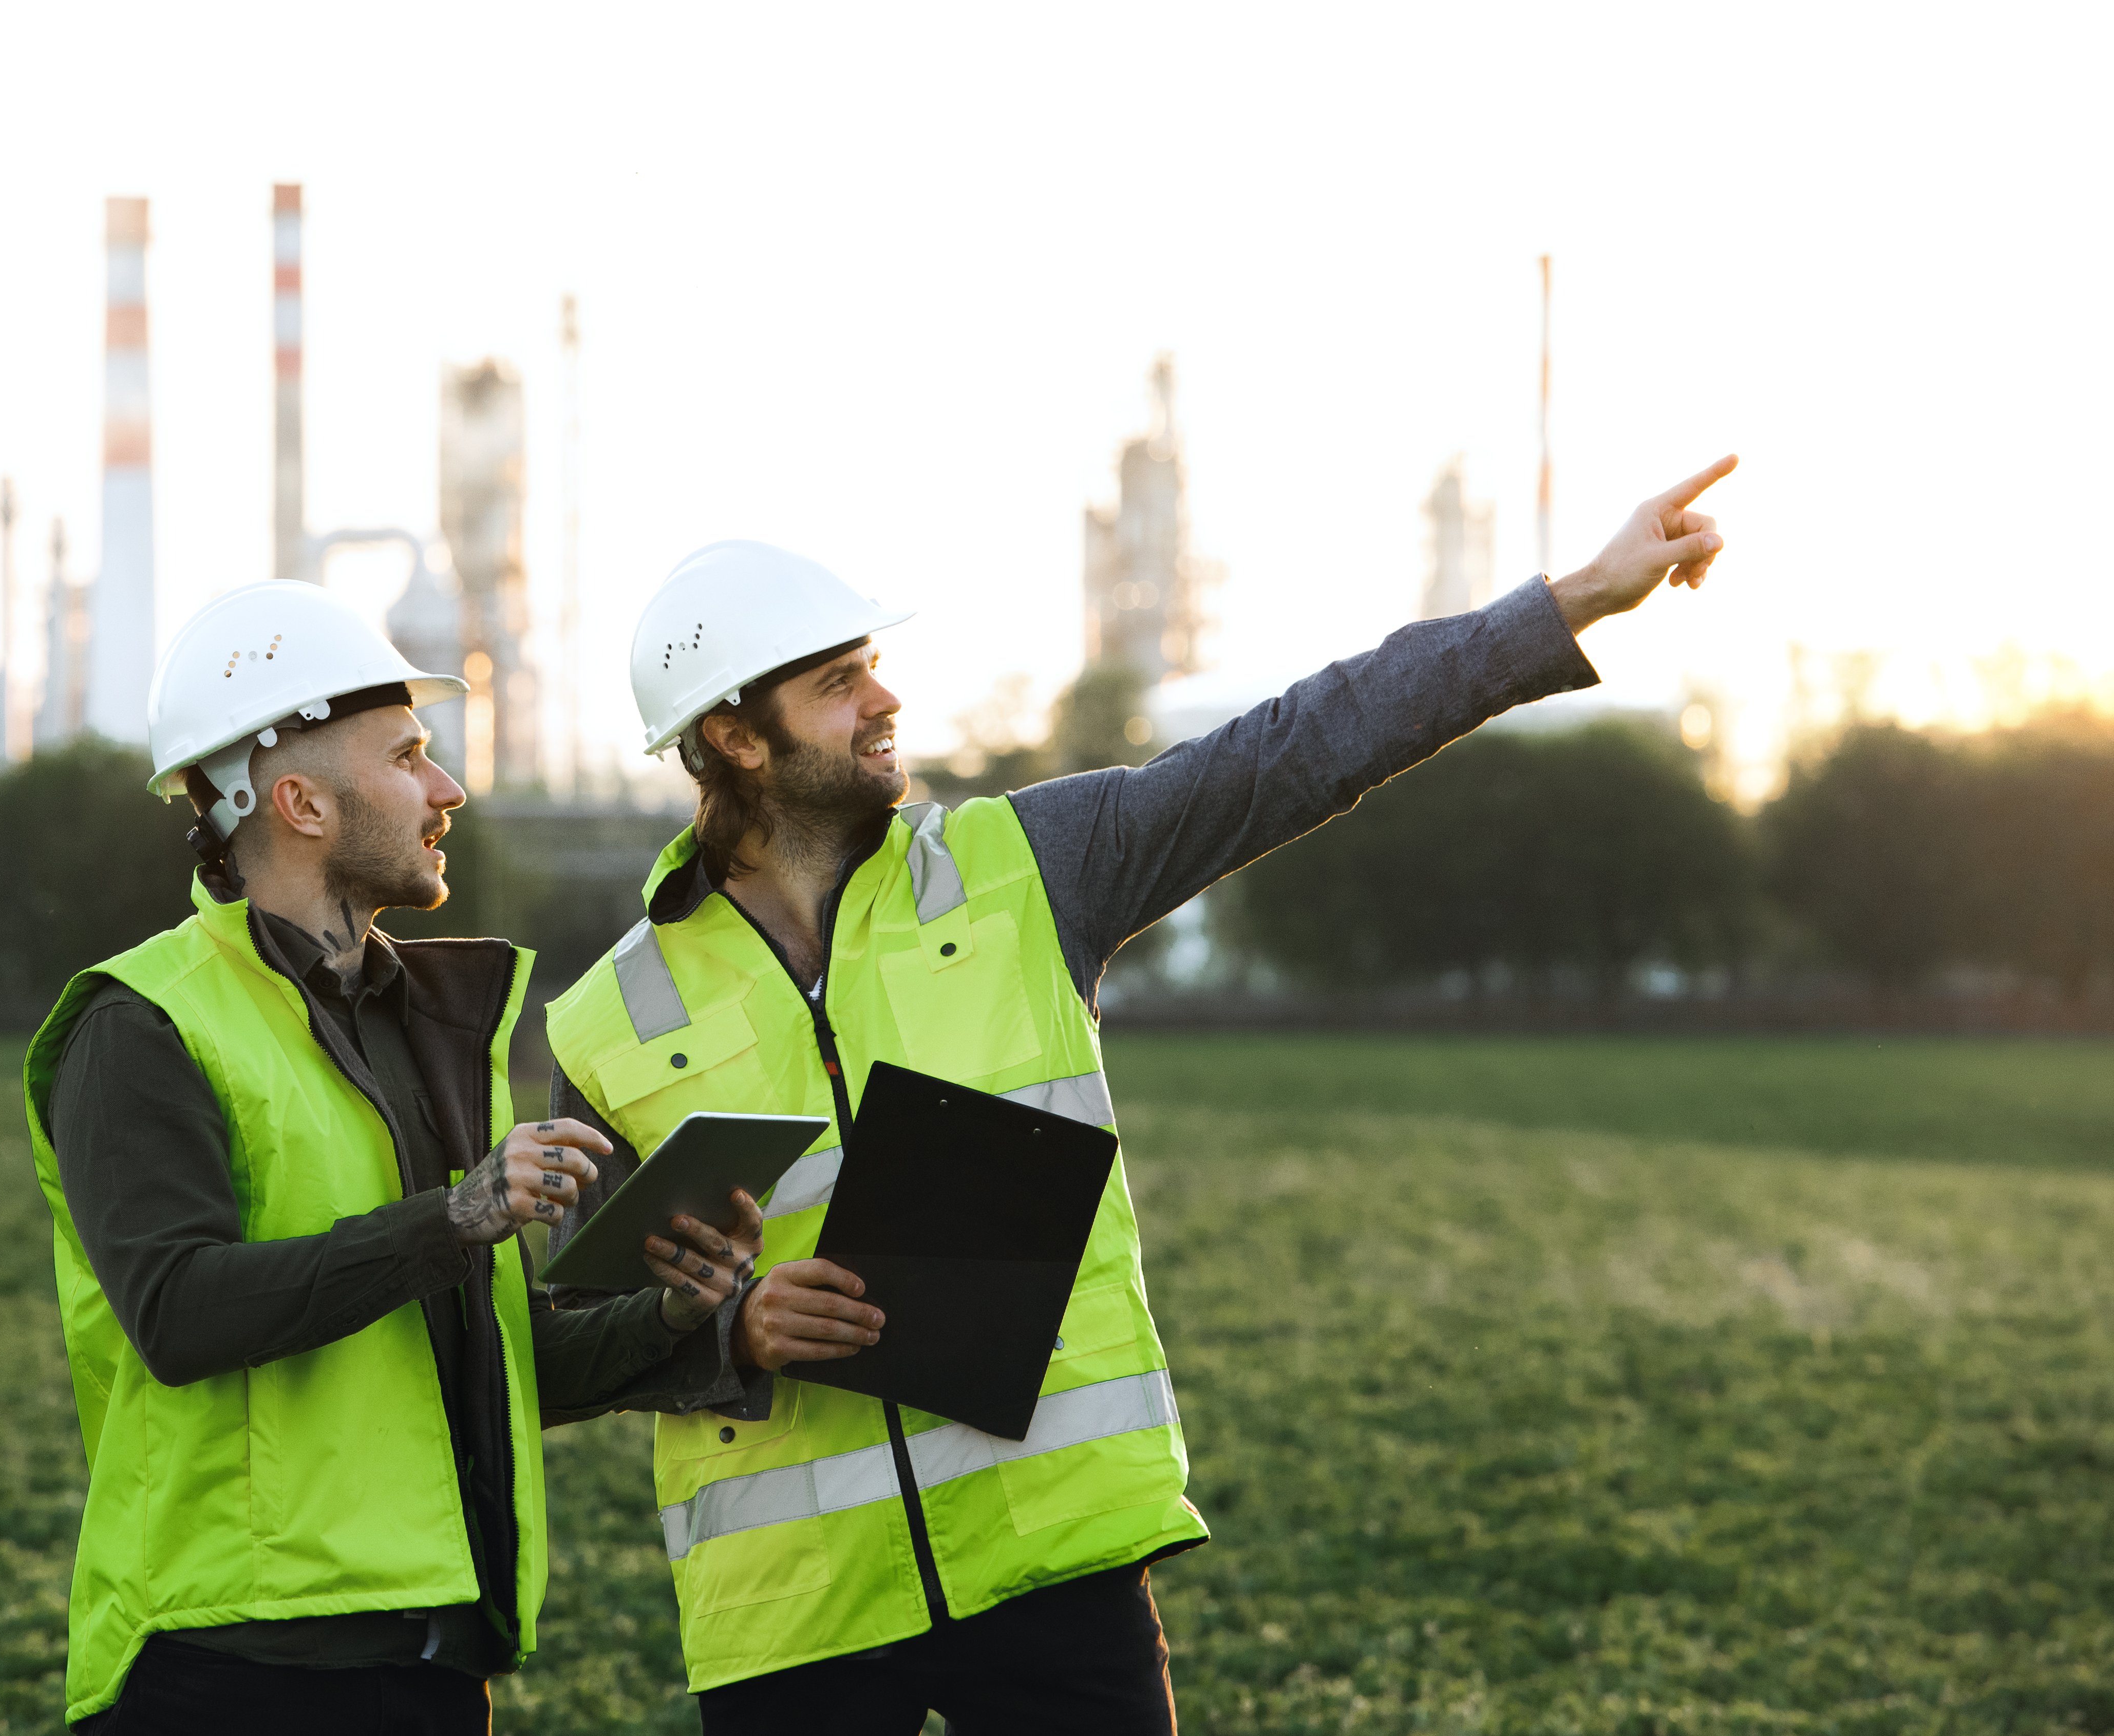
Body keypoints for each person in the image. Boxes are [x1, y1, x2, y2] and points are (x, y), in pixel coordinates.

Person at [542, 458, 1739, 1731]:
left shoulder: (1027, 867)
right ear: (734, 735)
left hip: (1052, 1574)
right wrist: (730, 1332)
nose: (885, 698)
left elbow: (1298, 748)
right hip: (793, 1619)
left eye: (872, 666)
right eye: (838, 683)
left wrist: (1573, 602)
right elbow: (554, 1350)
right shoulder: (612, 1015)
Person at [22, 581, 762, 1733]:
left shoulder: (424, 1023)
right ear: (303, 802)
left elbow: (503, 1363)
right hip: (230, 1668)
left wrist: (674, 1315)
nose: (449, 788)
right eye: (411, 754)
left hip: (428, 1660)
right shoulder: (141, 1025)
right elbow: (177, 1314)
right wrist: (451, 1219)